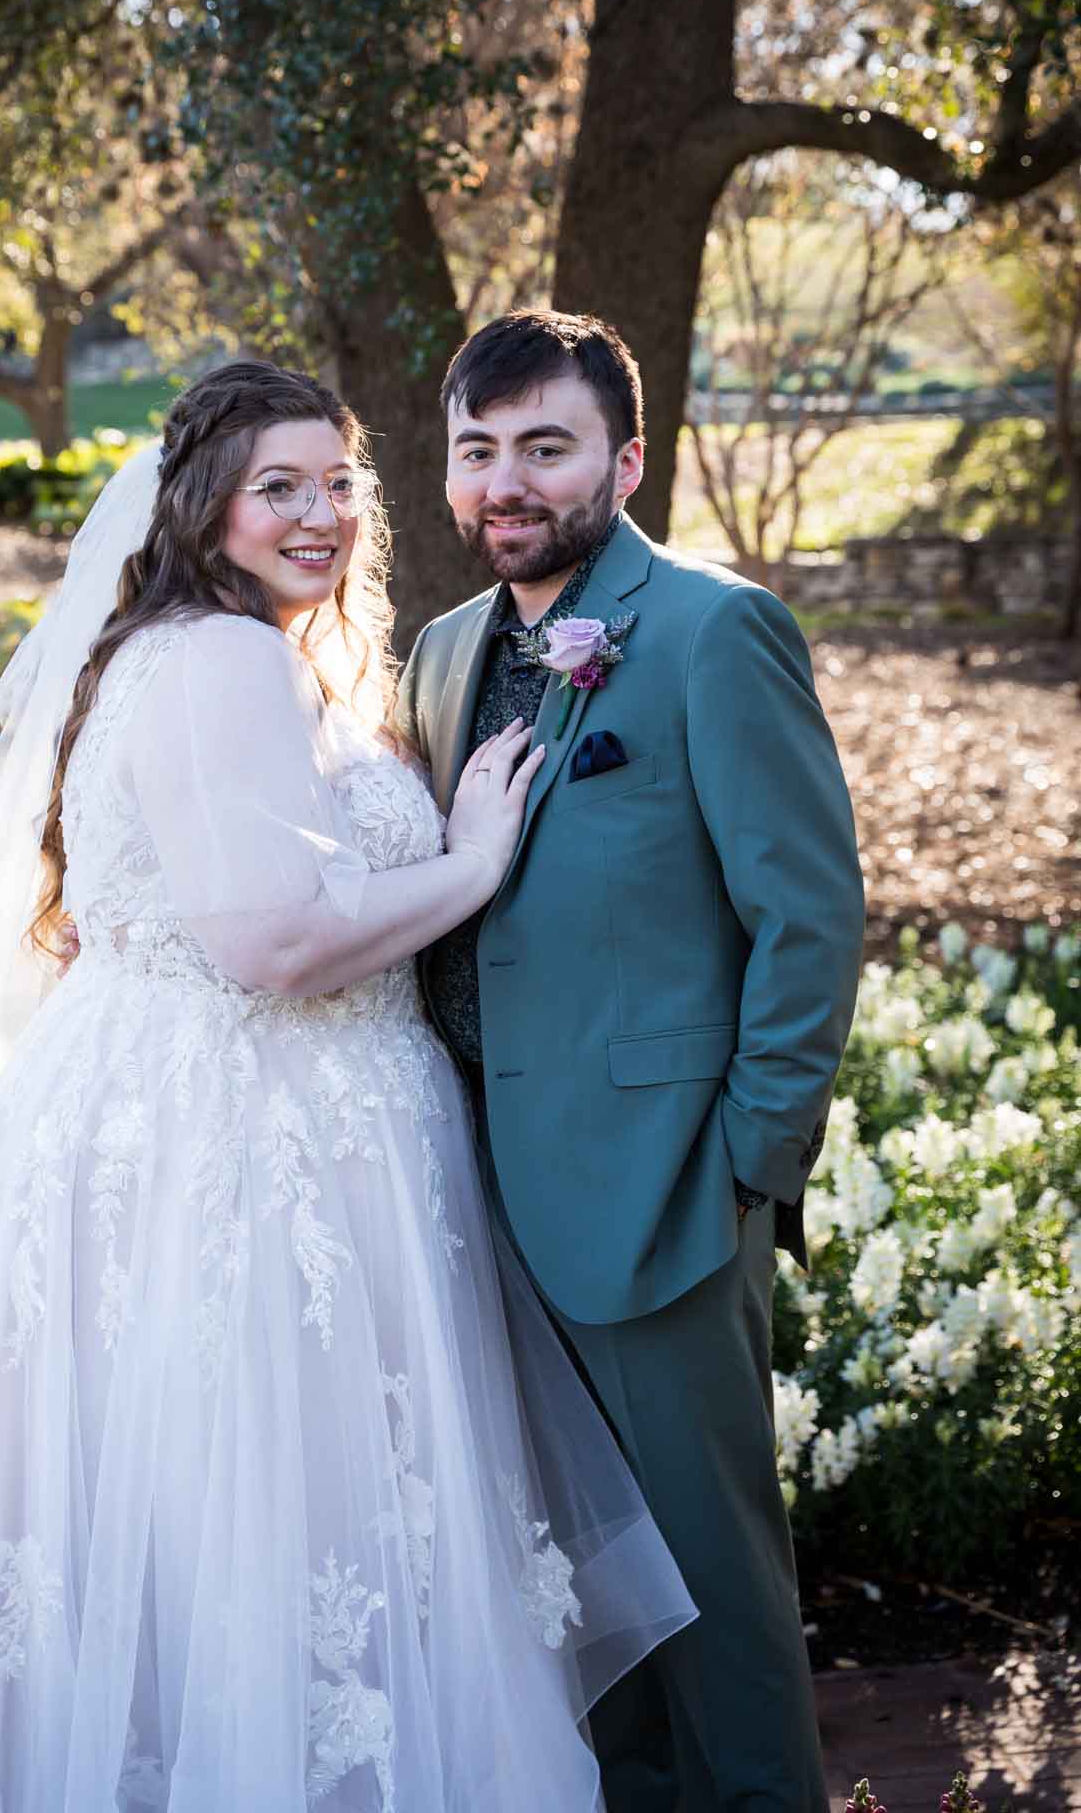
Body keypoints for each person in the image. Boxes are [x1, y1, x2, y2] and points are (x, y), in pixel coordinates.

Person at [0, 360, 693, 1812]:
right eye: (276, 485)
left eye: (338, 481)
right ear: (199, 502)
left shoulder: (220, 652)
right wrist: (470, 862)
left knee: (210, 1539)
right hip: (236, 1146)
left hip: (226, 1123)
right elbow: (267, 941)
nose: (320, 514)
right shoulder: (218, 658)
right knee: (268, 1522)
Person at [398, 309, 866, 1812]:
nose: (504, 483)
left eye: (545, 446)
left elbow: (806, 912)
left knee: (709, 1592)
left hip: (661, 1197)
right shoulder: (441, 652)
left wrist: (748, 1160)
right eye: (477, 451)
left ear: (626, 458)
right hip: (477, 1204)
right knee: (580, 1609)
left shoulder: (716, 631)